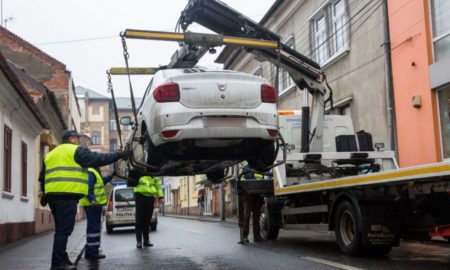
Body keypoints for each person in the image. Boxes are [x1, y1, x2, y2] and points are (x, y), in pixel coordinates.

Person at [38, 130, 131, 270]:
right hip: (66, 195)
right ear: (71, 139)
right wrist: (118, 155)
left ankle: (62, 258)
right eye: (77, 138)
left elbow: (42, 177)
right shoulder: (75, 150)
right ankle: (57, 263)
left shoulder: (51, 154)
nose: (79, 141)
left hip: (53, 196)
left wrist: (45, 194)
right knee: (64, 231)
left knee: (60, 229)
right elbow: (98, 158)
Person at [79, 167, 113, 261]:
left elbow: (101, 182)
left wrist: (110, 176)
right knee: (94, 228)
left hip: (94, 204)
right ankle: (92, 252)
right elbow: (88, 187)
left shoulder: (93, 172)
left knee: (94, 228)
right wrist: (92, 199)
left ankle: (92, 250)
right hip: (93, 204)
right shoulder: (91, 171)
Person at [134, 175, 164, 248]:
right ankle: (139, 242)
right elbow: (132, 180)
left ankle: (146, 241)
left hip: (150, 198)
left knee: (147, 220)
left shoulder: (153, 174)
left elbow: (158, 186)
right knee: (139, 220)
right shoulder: (139, 171)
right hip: (140, 196)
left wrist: (161, 197)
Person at [242, 165, 265, 243]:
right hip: (248, 194)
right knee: (247, 216)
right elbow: (249, 177)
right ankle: (244, 236)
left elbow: (262, 178)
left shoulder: (260, 167)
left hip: (257, 194)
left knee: (256, 216)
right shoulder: (247, 167)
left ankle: (257, 237)